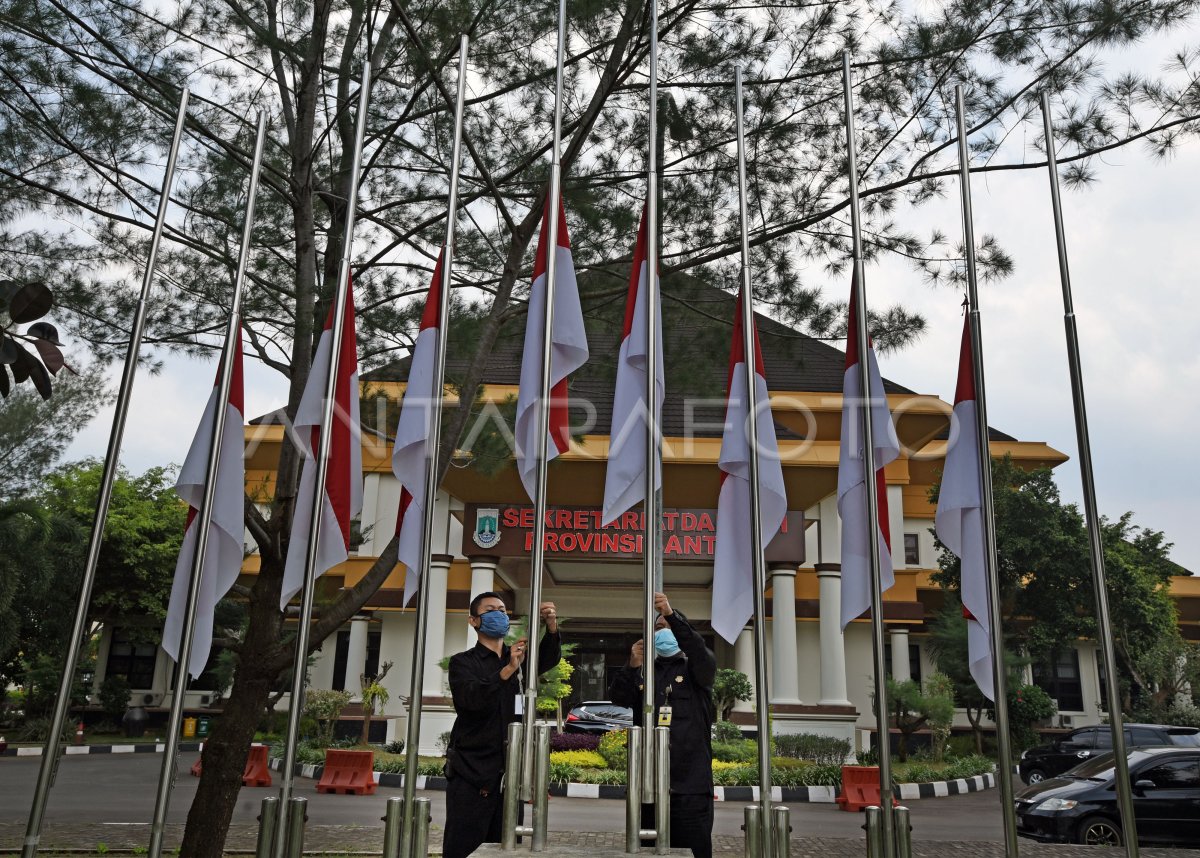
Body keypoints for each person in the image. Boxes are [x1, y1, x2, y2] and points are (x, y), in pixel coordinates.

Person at [442, 592, 561, 858]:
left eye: (503, 610)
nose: (499, 614)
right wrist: (506, 671)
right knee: (464, 846)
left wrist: (550, 627)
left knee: (506, 847)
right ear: (474, 620)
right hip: (472, 773)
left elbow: (548, 659)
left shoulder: (517, 657)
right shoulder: (464, 662)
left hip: (509, 774)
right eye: (491, 610)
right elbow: (470, 700)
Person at [608, 591, 717, 858]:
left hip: (690, 786)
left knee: (694, 850)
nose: (664, 630)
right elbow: (619, 698)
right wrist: (632, 665)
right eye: (658, 627)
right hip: (649, 786)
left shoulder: (697, 669)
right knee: (647, 852)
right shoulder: (645, 671)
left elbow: (695, 647)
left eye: (669, 626)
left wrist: (671, 615)